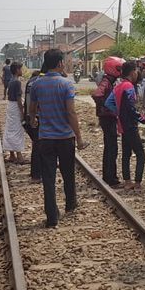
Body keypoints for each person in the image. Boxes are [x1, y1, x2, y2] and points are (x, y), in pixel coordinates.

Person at [29, 49, 86, 228]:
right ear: (60, 63)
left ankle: (52, 216)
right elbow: (71, 112)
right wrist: (79, 137)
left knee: (48, 177)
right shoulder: (66, 84)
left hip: (45, 137)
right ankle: (70, 204)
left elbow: (32, 109)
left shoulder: (37, 84)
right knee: (68, 173)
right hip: (65, 137)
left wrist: (33, 120)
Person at [106, 61, 145, 190]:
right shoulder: (129, 87)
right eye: (136, 70)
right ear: (132, 72)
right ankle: (138, 182)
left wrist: (118, 112)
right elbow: (130, 107)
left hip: (122, 125)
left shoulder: (118, 86)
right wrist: (143, 119)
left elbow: (108, 103)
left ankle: (127, 181)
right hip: (130, 125)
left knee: (126, 154)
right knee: (140, 154)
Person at [91, 56, 124, 187]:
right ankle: (111, 178)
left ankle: (109, 176)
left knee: (110, 147)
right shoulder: (107, 81)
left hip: (107, 118)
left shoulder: (110, 80)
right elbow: (97, 94)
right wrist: (107, 107)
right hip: (108, 119)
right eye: (119, 68)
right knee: (111, 148)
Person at [4, 62, 26, 164]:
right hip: (15, 107)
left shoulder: (11, 81)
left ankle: (12, 154)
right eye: (21, 69)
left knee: (10, 129)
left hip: (10, 106)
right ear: (17, 70)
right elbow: (18, 99)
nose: (22, 71)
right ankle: (19, 155)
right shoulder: (17, 82)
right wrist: (22, 113)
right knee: (17, 130)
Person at [24, 69, 43, 183]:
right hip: (38, 117)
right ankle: (36, 175)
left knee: (36, 145)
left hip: (31, 116)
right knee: (39, 146)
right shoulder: (40, 82)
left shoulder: (30, 82)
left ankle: (35, 173)